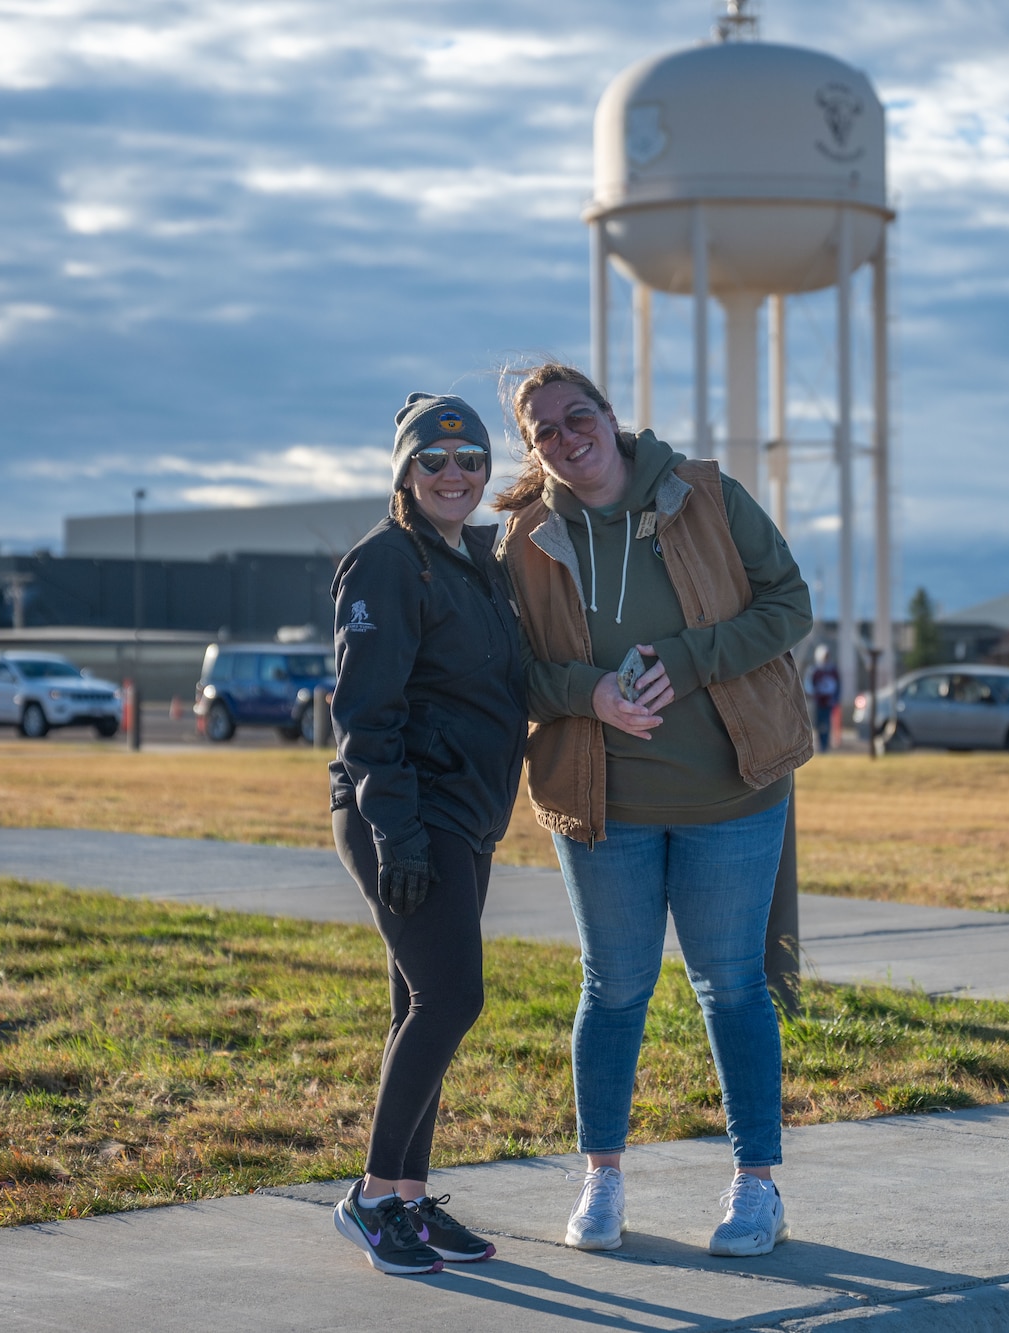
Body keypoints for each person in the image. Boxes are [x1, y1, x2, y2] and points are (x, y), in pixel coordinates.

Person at [493, 363, 813, 1259]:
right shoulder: (524, 541)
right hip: (603, 807)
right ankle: (601, 1176)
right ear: (532, 448)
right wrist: (588, 692)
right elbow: (511, 670)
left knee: (732, 984)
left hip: (734, 795)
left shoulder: (704, 494)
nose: (565, 436)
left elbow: (791, 604)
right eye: (543, 430)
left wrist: (694, 656)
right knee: (615, 987)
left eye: (577, 415)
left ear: (610, 415)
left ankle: (757, 1186)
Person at [327, 393, 528, 1276]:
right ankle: (372, 1198)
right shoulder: (384, 562)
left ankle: (410, 1198)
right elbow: (365, 717)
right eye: (435, 460)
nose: (455, 475)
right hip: (406, 810)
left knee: (422, 1004)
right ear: (405, 472)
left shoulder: (473, 559)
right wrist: (397, 836)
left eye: (472, 460)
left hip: (467, 812)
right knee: (451, 997)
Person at [806, 644, 841, 751]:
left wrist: (835, 698)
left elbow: (838, 686)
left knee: (827, 723)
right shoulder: (814, 671)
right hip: (818, 702)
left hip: (829, 702)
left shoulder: (833, 671)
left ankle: (825, 745)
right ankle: (821, 744)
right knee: (819, 723)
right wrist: (813, 694)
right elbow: (808, 684)